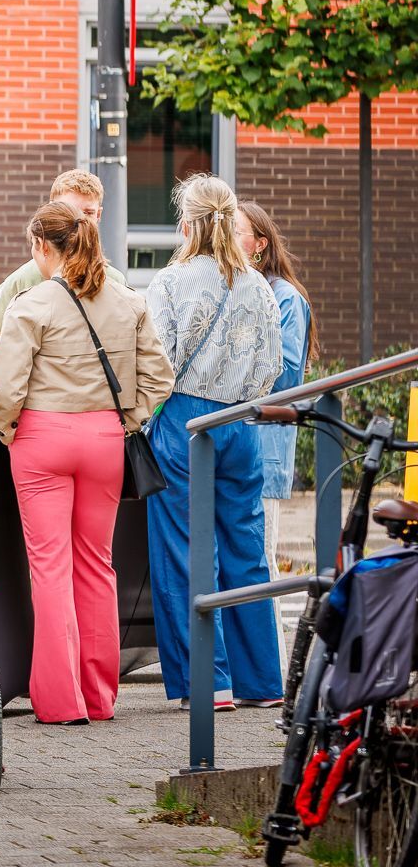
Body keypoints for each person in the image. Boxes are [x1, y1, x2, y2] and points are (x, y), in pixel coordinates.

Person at [0, 203, 173, 724]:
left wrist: (7, 429)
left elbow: (6, 387)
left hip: (41, 438)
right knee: (97, 565)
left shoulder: (31, 304)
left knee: (50, 568)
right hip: (104, 440)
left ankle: (61, 701)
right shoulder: (128, 300)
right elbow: (161, 377)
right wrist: (128, 418)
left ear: (41, 246)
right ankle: (99, 696)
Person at [143, 174, 284, 712]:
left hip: (187, 420)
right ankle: (261, 681)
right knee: (246, 548)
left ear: (187, 224)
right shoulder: (258, 285)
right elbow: (272, 366)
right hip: (242, 422)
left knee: (185, 549)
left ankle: (209, 681)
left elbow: (160, 363)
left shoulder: (171, 282)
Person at [0, 170, 126, 368]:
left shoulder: (115, 281)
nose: (78, 223)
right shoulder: (22, 281)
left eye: (87, 213)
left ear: (99, 215)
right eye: (68, 211)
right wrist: (23, 377)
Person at [237, 200, 316, 587]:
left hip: (265, 445)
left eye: (237, 232)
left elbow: (286, 374)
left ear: (260, 244)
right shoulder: (234, 290)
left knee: (260, 556)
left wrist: (235, 363)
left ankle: (271, 633)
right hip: (238, 443)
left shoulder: (285, 297)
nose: (227, 239)